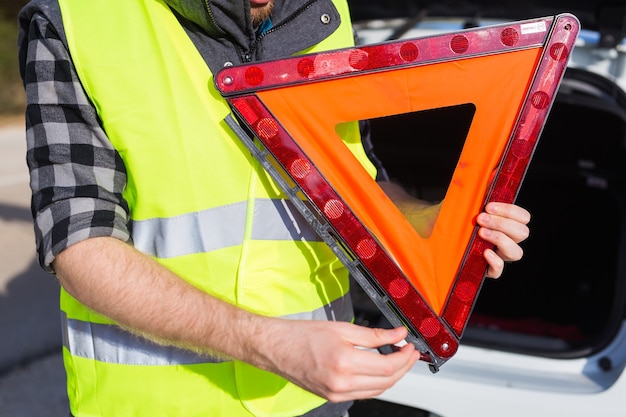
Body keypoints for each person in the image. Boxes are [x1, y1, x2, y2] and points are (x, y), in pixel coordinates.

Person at [17, 0, 531, 416]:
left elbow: (359, 183)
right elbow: (80, 245)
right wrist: (274, 345)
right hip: (159, 405)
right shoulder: (77, 22)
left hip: (312, 400)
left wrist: (434, 223)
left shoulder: (326, 17)